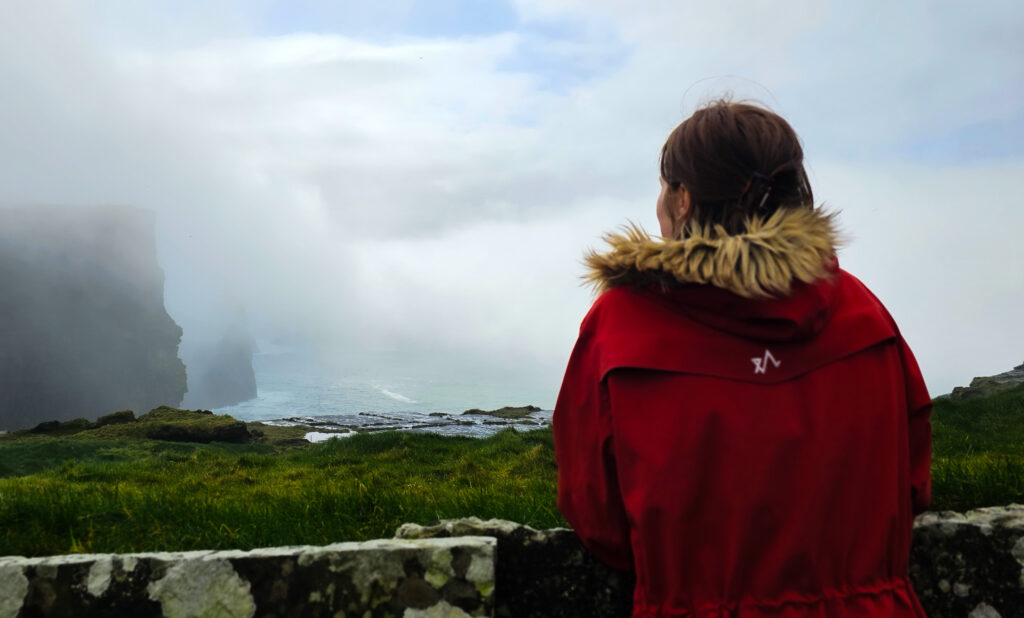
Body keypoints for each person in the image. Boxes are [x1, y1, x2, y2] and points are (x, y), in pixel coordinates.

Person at [554, 99, 932, 617]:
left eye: (665, 186)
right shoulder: (864, 314)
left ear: (683, 198)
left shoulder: (618, 326)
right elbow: (912, 482)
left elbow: (598, 521)